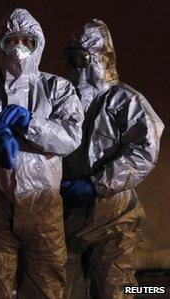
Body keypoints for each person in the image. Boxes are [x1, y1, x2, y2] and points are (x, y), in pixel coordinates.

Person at [0, 8, 84, 299]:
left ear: (38, 43)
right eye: (10, 41)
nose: (18, 49)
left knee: (47, 285)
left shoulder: (58, 88)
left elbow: (70, 138)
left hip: (43, 206)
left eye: (27, 41)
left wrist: (31, 123)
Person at [61, 19, 164, 299]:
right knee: (65, 289)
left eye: (82, 59)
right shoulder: (62, 97)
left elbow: (144, 151)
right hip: (67, 213)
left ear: (100, 59)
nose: (75, 67)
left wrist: (96, 184)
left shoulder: (126, 101)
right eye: (70, 59)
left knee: (114, 288)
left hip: (114, 214)